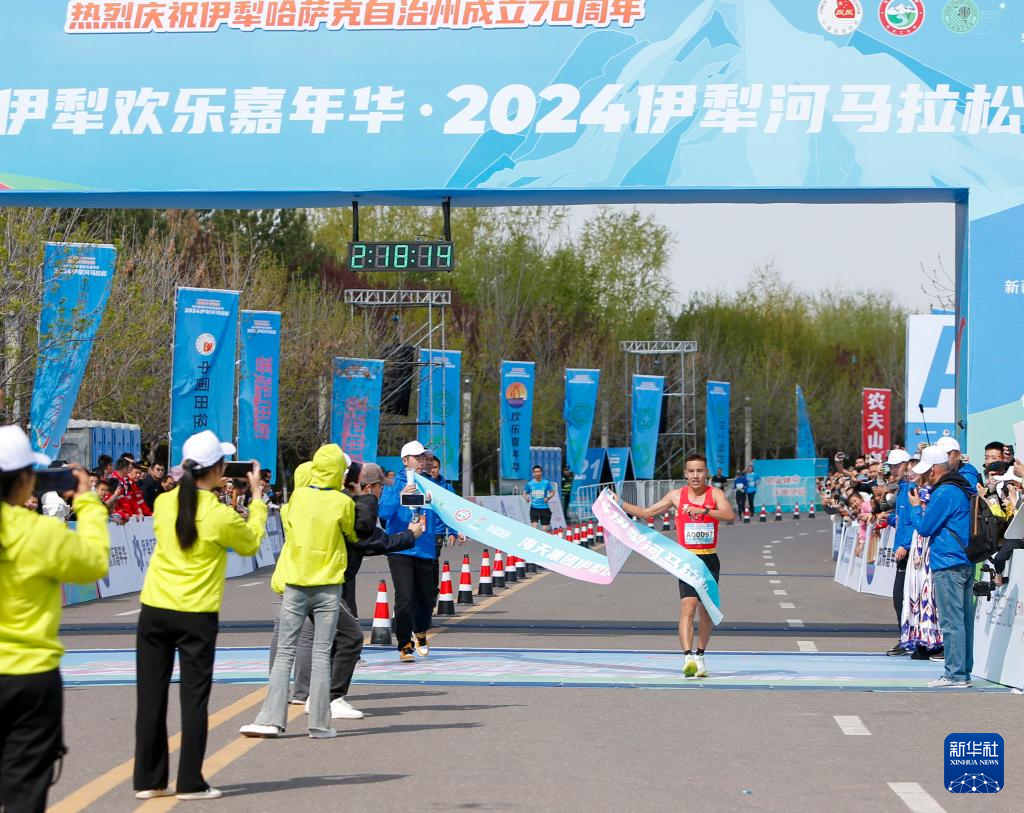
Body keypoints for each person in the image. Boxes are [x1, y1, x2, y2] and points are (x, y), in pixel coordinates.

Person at [133, 431, 267, 800]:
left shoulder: (165, 503)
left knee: (151, 696)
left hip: (155, 608)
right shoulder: (220, 515)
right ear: (218, 470)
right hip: (196, 613)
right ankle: (190, 781)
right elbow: (251, 542)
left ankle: (149, 780)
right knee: (193, 698)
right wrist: (256, 499)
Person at [0, 425, 109, 813]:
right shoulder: (43, 533)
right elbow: (94, 563)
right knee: (25, 792)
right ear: (26, 480)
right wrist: (89, 503)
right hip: (30, 677)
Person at [241, 444, 354, 739]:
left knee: (284, 653)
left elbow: (290, 526)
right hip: (328, 586)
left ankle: (271, 719)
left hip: (295, 583)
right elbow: (352, 532)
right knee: (321, 654)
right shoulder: (343, 502)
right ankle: (320, 723)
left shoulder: (297, 499)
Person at [617, 453, 735, 678]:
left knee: (706, 612)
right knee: (688, 606)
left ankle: (700, 656)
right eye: (691, 471)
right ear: (685, 474)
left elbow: (730, 515)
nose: (695, 475)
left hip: (709, 560)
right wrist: (619, 503)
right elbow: (647, 513)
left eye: (699, 471)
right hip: (687, 560)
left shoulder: (715, 494)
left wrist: (704, 511)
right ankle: (687, 657)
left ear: (706, 473)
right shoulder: (676, 496)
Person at [908, 445, 974, 688]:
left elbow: (925, 527)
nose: (924, 477)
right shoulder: (961, 486)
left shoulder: (944, 492)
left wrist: (916, 507)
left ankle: (955, 674)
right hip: (964, 560)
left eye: (926, 472)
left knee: (951, 621)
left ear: (934, 469)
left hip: (948, 562)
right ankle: (963, 671)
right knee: (963, 621)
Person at [379, 440, 440, 662]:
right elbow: (384, 514)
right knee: (405, 598)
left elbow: (444, 511)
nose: (423, 461)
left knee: (427, 597)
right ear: (405, 461)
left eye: (424, 457)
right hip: (400, 548)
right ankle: (405, 643)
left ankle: (421, 630)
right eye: (418, 457)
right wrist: (401, 495)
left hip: (425, 548)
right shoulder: (393, 484)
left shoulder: (431, 484)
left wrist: (454, 529)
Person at [885, 449, 913, 656]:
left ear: (907, 465)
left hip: (909, 551)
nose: (894, 470)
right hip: (902, 549)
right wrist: (889, 518)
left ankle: (907, 639)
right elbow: (903, 520)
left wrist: (904, 545)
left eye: (898, 466)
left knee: (902, 597)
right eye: (892, 467)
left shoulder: (911, 488)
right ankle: (905, 638)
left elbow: (915, 521)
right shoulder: (902, 488)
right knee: (899, 598)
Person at [523, 464, 556, 531]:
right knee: (534, 528)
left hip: (544, 508)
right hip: (534, 508)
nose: (537, 473)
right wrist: (526, 497)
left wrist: (548, 497)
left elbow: (552, 492)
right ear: (533, 473)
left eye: (538, 471)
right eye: (535, 472)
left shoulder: (546, 483)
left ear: (541, 472)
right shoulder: (530, 484)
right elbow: (524, 492)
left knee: (544, 530)